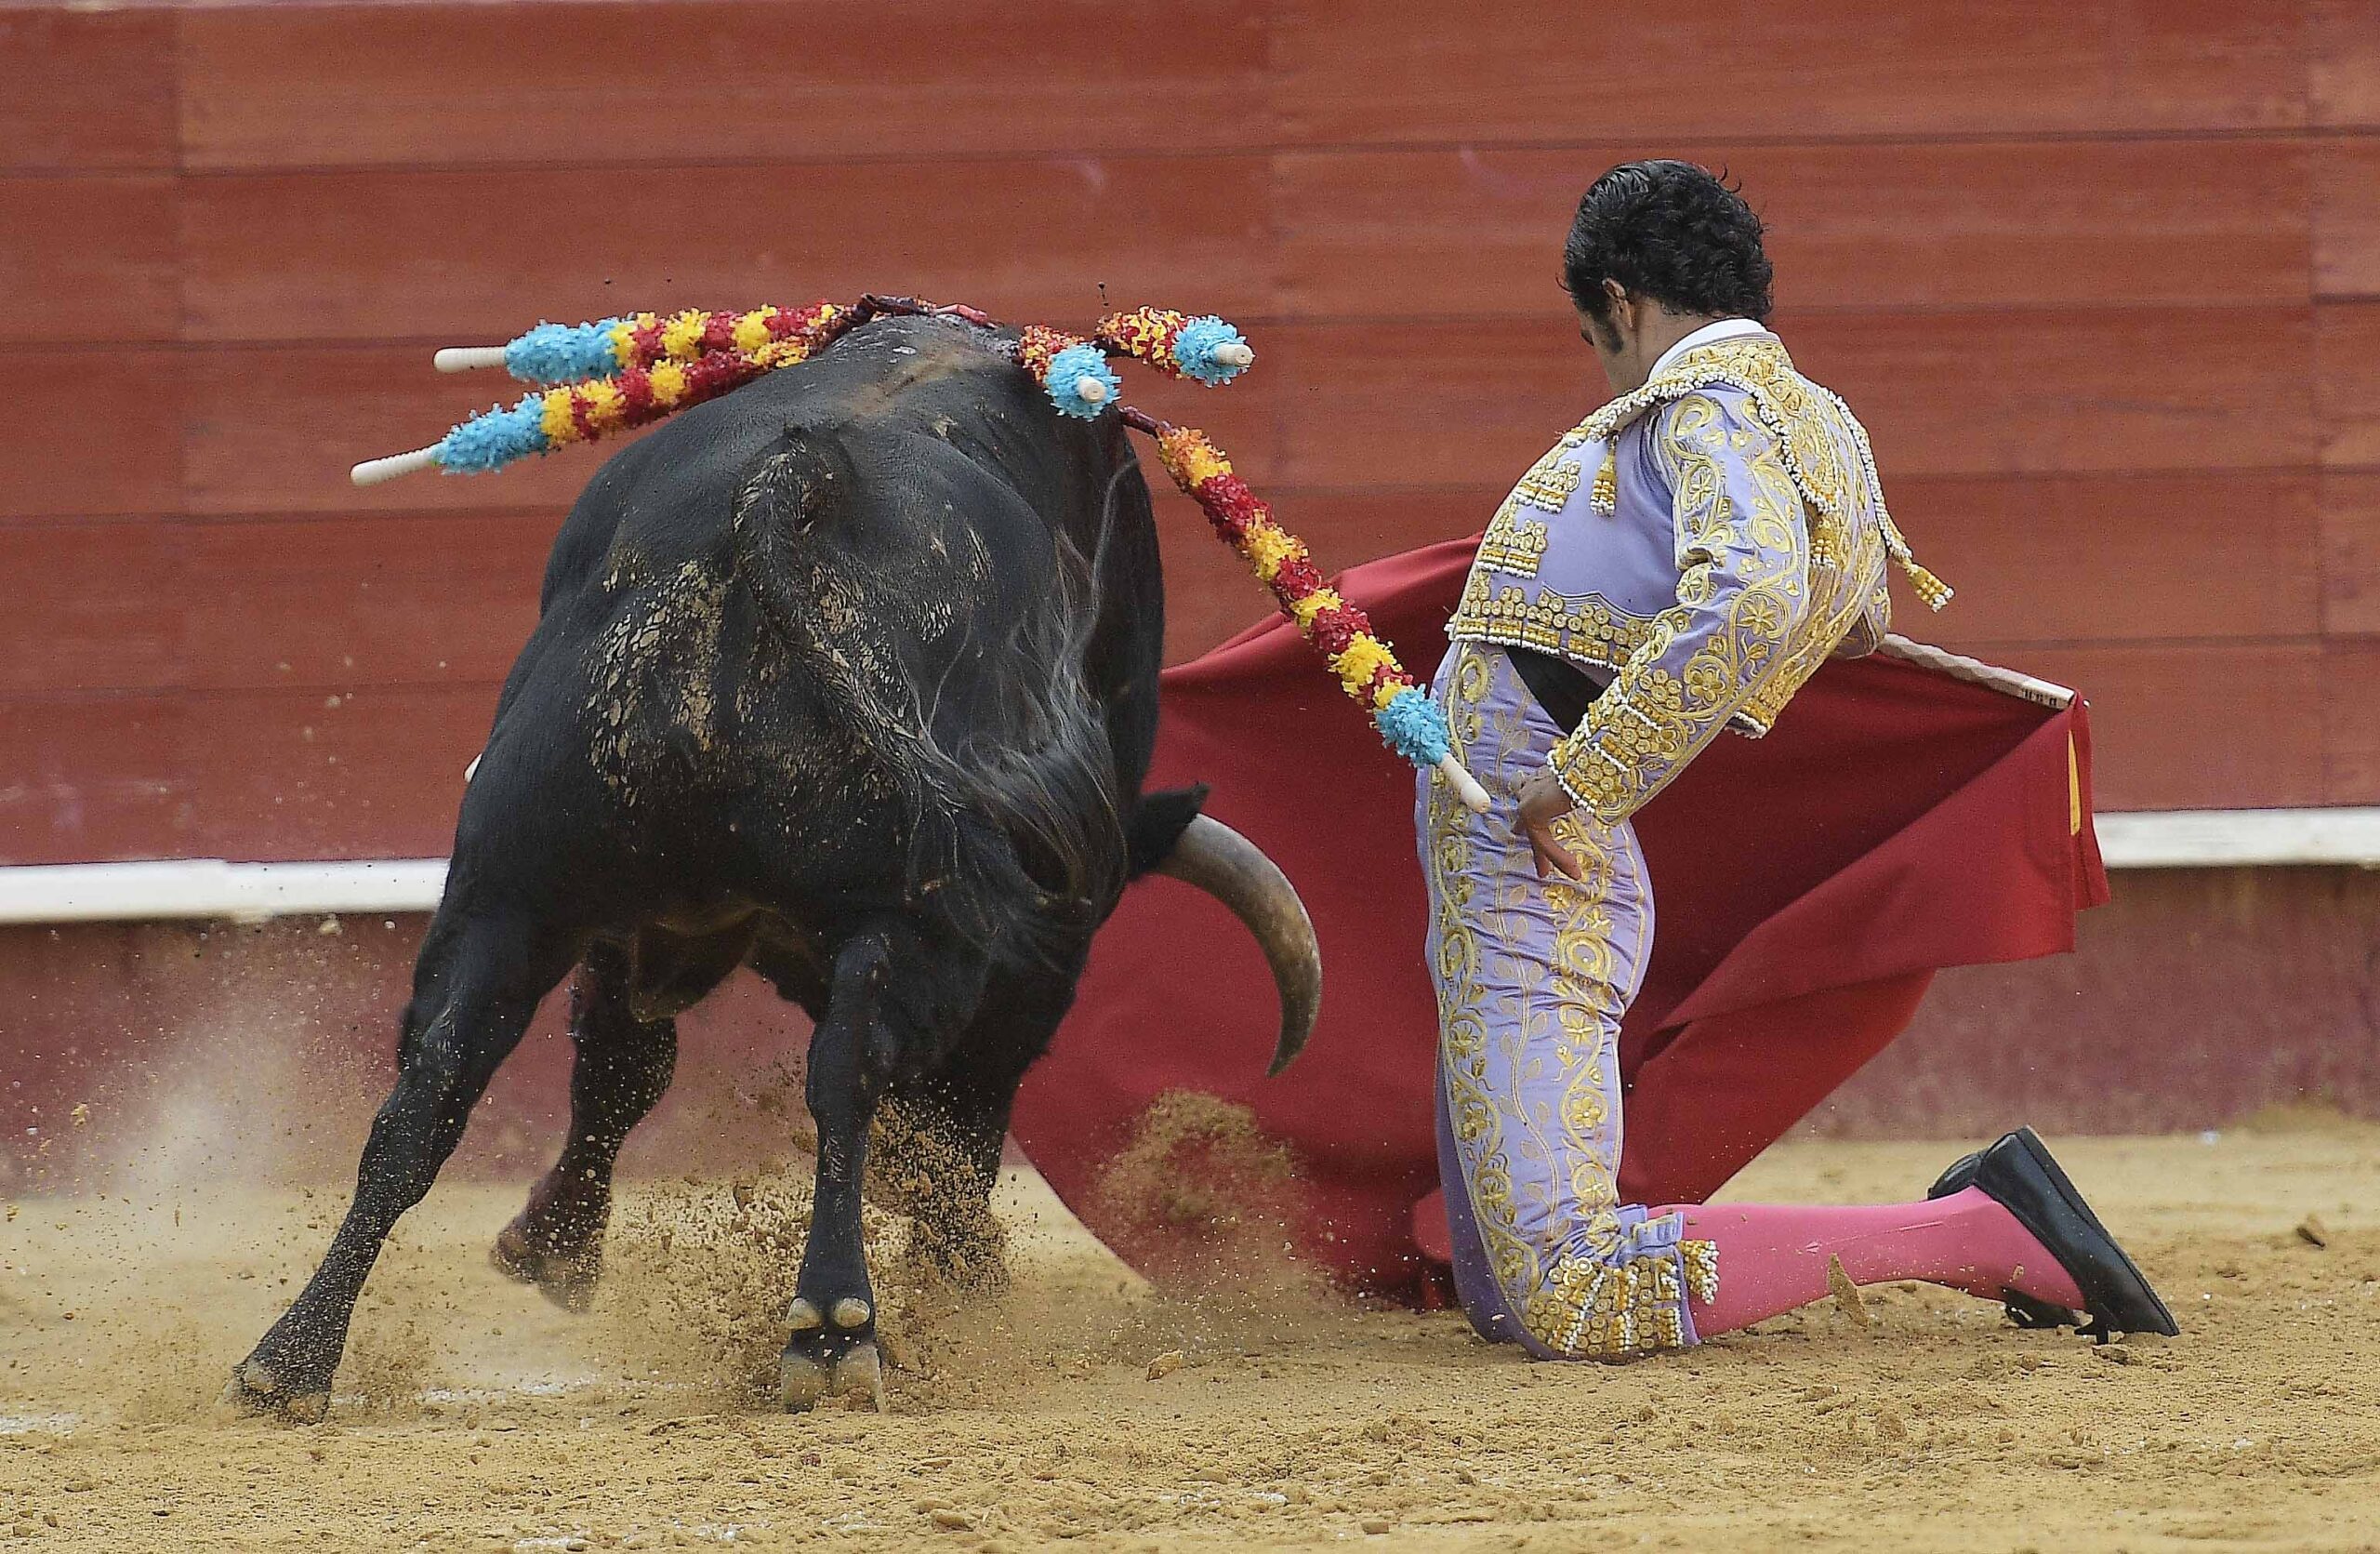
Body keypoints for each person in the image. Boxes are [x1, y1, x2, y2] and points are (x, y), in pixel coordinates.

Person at [1418, 160, 2174, 1359]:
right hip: (1522, 800)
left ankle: (1981, 1232)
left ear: (1620, 304)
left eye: (1592, 338)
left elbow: (1754, 597)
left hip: (1533, 808)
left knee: (1564, 1288)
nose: (1602, 366)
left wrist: (1588, 776)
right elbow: (1852, 610)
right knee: (1506, 1297)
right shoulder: (1820, 429)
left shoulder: (1703, 406)